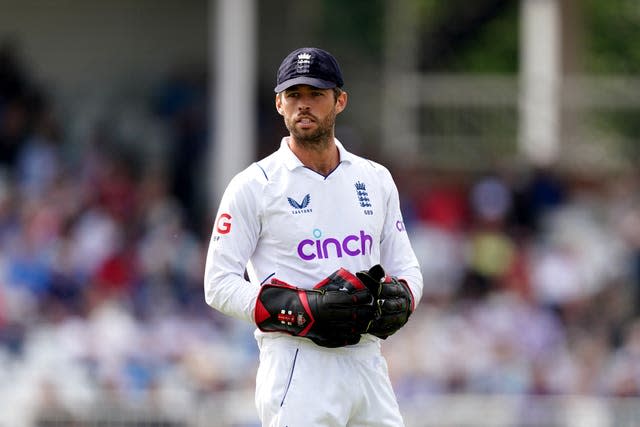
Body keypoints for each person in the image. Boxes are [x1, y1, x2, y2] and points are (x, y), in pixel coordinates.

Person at [204, 47, 423, 426]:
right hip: (297, 362)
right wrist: (299, 307)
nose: (304, 105)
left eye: (316, 95)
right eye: (294, 96)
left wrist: (403, 298)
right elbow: (218, 284)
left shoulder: (374, 178)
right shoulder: (254, 185)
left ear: (339, 101)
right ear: (279, 104)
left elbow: (407, 269)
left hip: (367, 360)